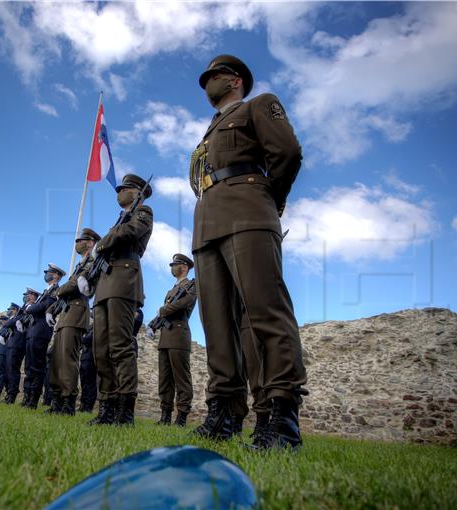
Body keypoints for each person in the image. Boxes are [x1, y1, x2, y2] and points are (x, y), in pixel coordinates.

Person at [189, 54, 307, 450]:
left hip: (248, 212)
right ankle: (224, 412)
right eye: (206, 77)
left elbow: (287, 153)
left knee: (264, 313)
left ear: (235, 80)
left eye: (215, 75)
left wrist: (268, 200)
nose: (208, 82)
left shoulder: (259, 105)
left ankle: (279, 413)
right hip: (207, 224)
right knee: (218, 326)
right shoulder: (208, 133)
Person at [81, 174, 153, 426]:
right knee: (101, 349)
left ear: (137, 192)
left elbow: (132, 233)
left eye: (124, 188)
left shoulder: (143, 212)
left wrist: (101, 244)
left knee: (121, 347)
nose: (119, 191)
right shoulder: (121, 219)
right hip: (104, 285)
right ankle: (107, 408)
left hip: (124, 280)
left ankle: (124, 412)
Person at [46, 228, 100, 415]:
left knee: (68, 359)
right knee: (56, 357)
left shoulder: (92, 261)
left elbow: (75, 284)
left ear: (91, 242)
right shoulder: (81, 263)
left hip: (77, 313)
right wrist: (53, 310)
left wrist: (60, 291)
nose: (78, 242)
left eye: (82, 239)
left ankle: (68, 403)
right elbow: (72, 283)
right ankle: (56, 400)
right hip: (66, 314)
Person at [152, 253, 196, 427]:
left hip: (179, 335)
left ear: (184, 267)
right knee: (165, 379)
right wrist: (153, 325)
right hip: (165, 336)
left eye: (176, 264)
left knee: (181, 378)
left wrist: (163, 310)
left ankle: (182, 417)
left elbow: (185, 303)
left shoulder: (191, 285)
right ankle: (165, 415)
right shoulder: (171, 290)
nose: (173, 267)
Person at [21, 265, 65, 409]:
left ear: (57, 276)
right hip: (33, 331)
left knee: (37, 366)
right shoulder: (46, 291)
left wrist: (29, 308)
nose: (47, 275)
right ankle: (26, 396)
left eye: (50, 273)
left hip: (41, 331)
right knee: (29, 365)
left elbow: (45, 306)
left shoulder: (55, 291)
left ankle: (33, 399)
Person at [3, 293, 36, 404]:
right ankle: (9, 393)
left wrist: (13, 320)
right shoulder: (22, 312)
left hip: (18, 344)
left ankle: (12, 394)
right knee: (9, 369)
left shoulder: (24, 312)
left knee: (13, 369)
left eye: (28, 294)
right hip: (13, 344)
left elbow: (9, 323)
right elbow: (8, 323)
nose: (26, 296)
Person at [78, 321, 97, 413]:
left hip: (91, 358)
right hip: (85, 357)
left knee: (90, 383)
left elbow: (88, 339)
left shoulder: (97, 327)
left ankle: (88, 406)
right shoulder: (91, 328)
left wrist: (78, 337)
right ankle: (83, 404)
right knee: (84, 382)